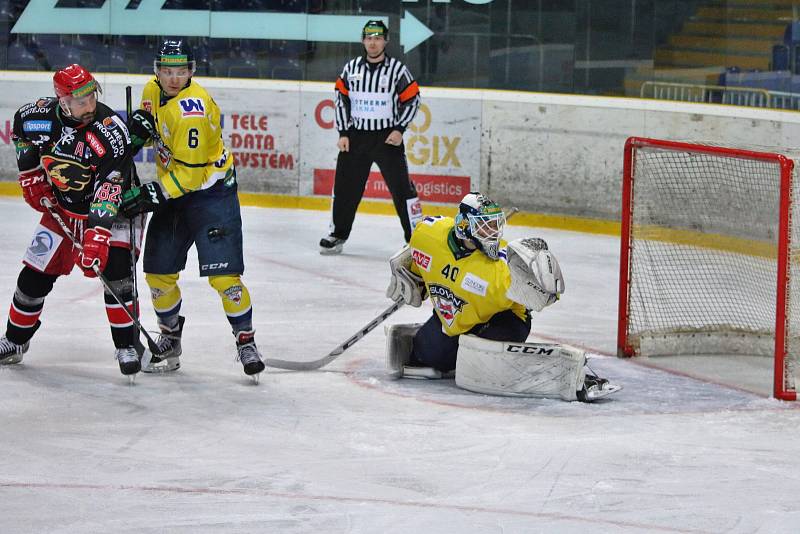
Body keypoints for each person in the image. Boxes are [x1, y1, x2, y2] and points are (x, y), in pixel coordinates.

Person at [121, 38, 265, 381]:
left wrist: (147, 194)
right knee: (157, 271)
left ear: (191, 71)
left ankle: (245, 340)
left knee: (224, 276)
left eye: (181, 71)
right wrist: (136, 134)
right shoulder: (152, 90)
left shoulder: (193, 112)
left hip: (211, 194)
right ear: (157, 71)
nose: (173, 78)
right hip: (175, 191)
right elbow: (146, 123)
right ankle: (170, 338)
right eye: (167, 71)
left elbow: (192, 174)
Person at [384, 192, 619, 401]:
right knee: (427, 356)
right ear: (464, 225)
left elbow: (542, 295)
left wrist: (545, 288)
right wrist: (409, 273)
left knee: (484, 360)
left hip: (504, 319)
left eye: (496, 225)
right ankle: (458, 353)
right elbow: (417, 251)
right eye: (486, 227)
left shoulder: (503, 269)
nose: (494, 233)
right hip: (455, 318)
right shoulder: (428, 233)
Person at [0, 64, 144, 378]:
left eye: (92, 97)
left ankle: (126, 346)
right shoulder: (35, 117)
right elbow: (21, 135)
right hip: (63, 210)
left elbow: (109, 189)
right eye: (81, 101)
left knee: (117, 275)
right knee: (33, 277)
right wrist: (30, 176)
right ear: (62, 101)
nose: (89, 106)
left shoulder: (109, 131)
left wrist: (97, 236)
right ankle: (15, 341)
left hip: (115, 210)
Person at [319, 19, 423, 255]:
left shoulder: (397, 70)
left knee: (402, 189)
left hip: (387, 139)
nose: (373, 43)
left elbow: (413, 99)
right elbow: (340, 100)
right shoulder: (351, 69)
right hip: (355, 138)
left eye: (377, 38)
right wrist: (343, 132)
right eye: (369, 38)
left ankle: (416, 237)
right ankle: (337, 234)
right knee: (345, 189)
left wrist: (399, 128)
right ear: (363, 40)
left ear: (385, 40)